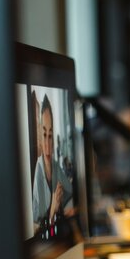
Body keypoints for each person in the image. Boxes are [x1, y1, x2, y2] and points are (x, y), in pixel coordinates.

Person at [32, 94, 73, 231]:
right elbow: (37, 230)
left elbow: (70, 195)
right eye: (44, 135)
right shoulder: (37, 173)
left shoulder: (55, 166)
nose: (48, 145)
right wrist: (53, 208)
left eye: (50, 135)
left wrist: (67, 207)